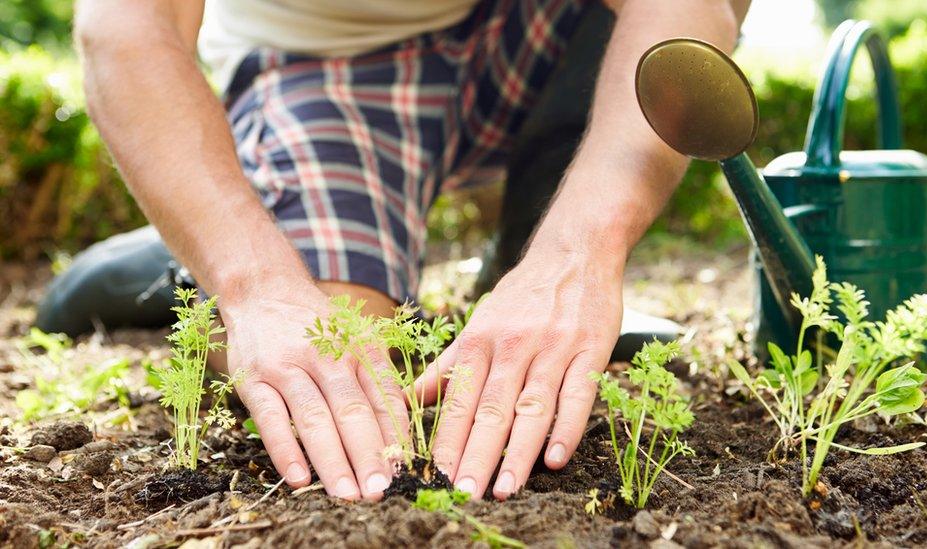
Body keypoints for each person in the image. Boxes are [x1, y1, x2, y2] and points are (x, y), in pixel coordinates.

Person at [57, 0, 750, 503]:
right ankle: (219, 230)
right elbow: (125, 28)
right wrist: (254, 283)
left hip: (544, 27)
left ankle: (528, 257)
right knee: (337, 345)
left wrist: (579, 252)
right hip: (328, 57)